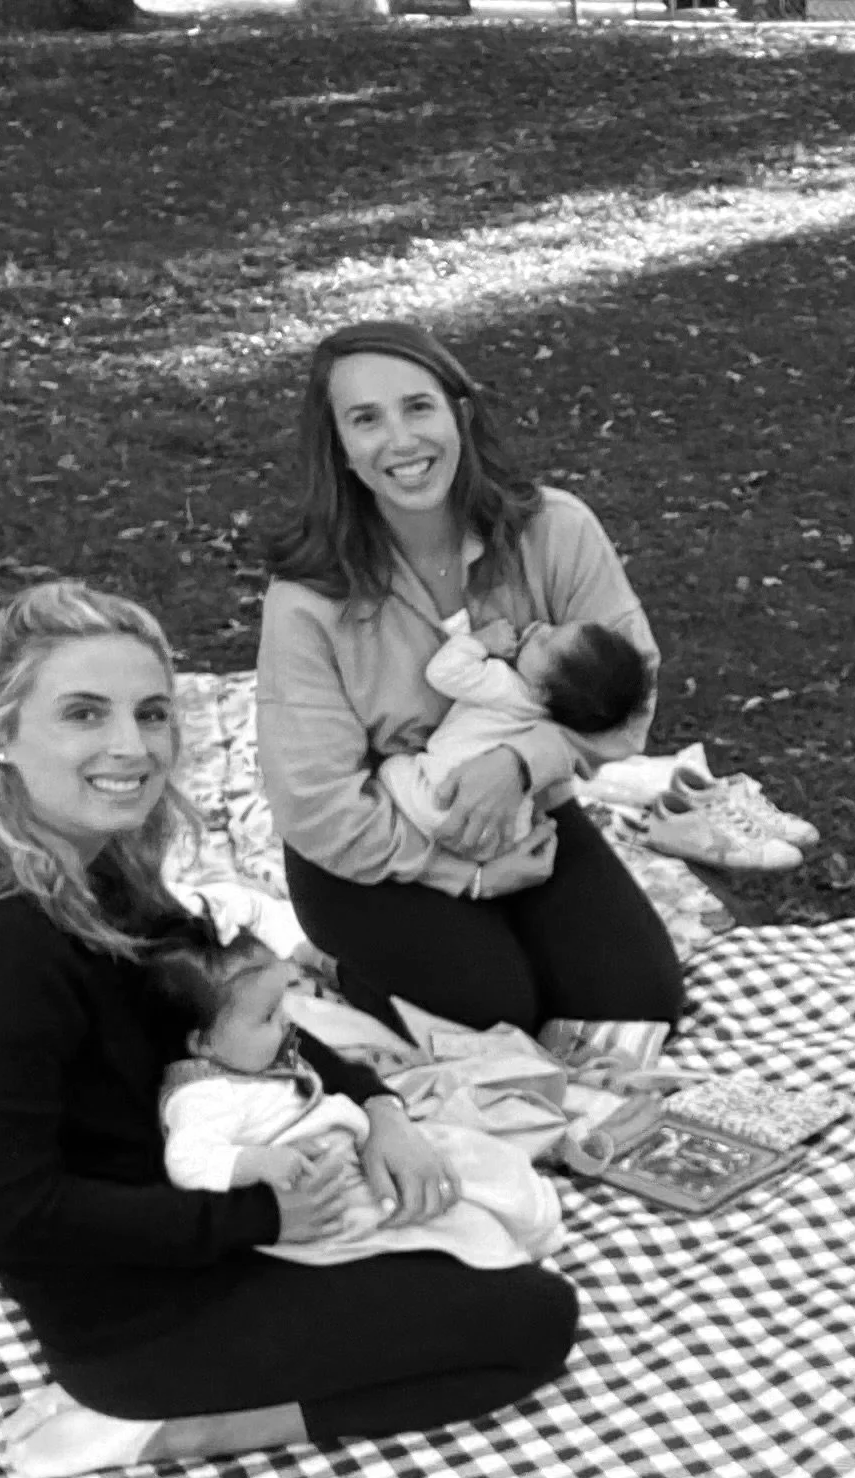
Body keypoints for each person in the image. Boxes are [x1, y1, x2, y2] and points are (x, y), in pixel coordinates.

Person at [0, 578, 579, 1478]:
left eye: (152, 714)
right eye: (84, 714)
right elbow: (9, 1214)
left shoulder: (87, 866)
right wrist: (260, 1212)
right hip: (131, 1308)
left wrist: (379, 1108)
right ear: (0, 736)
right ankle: (179, 1427)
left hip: (193, 1205)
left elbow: (230, 1010)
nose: (132, 747)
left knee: (498, 1225)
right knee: (532, 1322)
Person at [256, 320, 684, 1035]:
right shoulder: (308, 600)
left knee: (635, 1000)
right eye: (366, 419)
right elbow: (316, 805)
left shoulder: (558, 531)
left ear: (460, 412)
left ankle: (501, 939)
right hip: (374, 843)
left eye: (418, 407)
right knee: (493, 1010)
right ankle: (340, 963)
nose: (400, 440)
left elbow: (628, 698)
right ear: (340, 450)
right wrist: (468, 876)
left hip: (521, 812)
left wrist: (522, 762)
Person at [155, 930, 564, 1269]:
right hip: (329, 1191)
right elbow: (187, 1160)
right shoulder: (202, 1096)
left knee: (479, 1164)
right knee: (454, 1223)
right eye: (267, 1016)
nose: (286, 1020)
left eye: (283, 1004)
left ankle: (537, 1224)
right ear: (202, 1044)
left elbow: (327, 1066)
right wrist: (257, 1163)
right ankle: (508, 1253)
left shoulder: (254, 1053)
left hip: (355, 1146)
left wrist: (383, 1114)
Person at [377, 609, 653, 858]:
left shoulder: (504, 685)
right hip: (501, 834)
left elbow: (442, 673)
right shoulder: (553, 718)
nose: (542, 626)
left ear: (541, 690)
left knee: (391, 767)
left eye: (546, 640)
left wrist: (480, 641)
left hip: (438, 802)